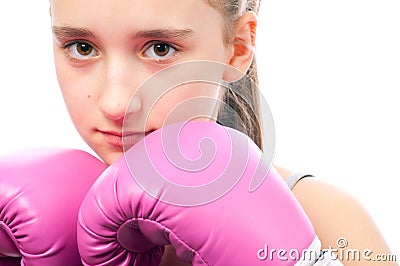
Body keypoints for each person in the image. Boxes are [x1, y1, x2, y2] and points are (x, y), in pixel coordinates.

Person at [48, 0, 395, 264]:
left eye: (160, 48)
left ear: (238, 49)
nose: (116, 104)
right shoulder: (35, 221)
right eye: (81, 47)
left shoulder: (327, 218)